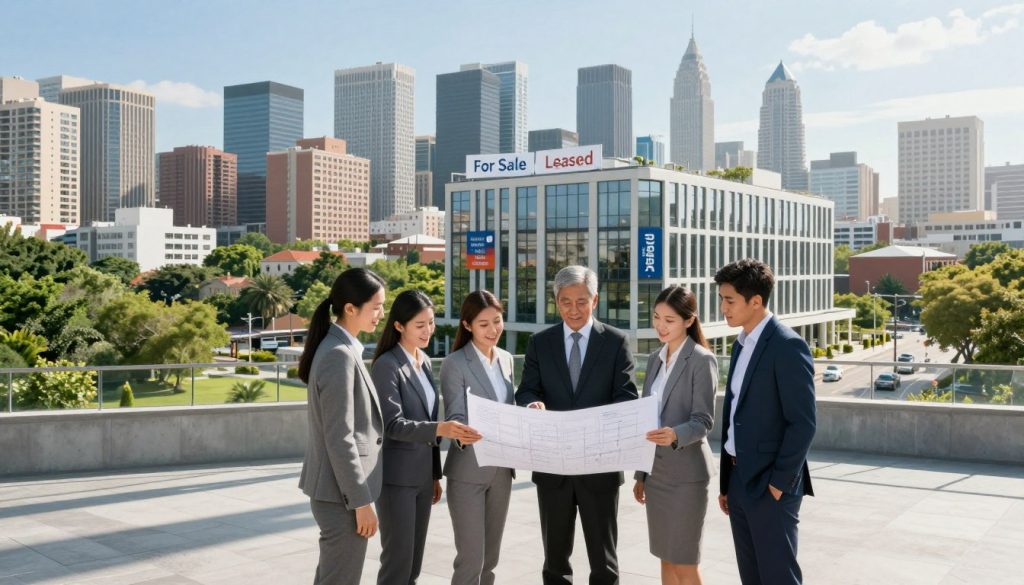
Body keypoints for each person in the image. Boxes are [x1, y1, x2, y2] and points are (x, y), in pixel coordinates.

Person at [515, 265, 638, 585]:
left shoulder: (616, 342)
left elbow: (627, 397)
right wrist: (531, 404)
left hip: (599, 468)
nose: (574, 309)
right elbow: (526, 390)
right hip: (552, 470)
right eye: (566, 301)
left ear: (595, 300)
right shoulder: (540, 343)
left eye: (581, 301)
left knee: (604, 564)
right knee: (554, 564)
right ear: (556, 301)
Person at [714, 259, 816, 585]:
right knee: (752, 578)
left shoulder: (787, 345)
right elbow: (735, 415)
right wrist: (727, 483)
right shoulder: (740, 344)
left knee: (778, 578)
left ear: (755, 301)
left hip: (771, 486)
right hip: (738, 481)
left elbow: (803, 423)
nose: (723, 308)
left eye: (729, 300)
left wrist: (777, 485)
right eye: (722, 299)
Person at [370, 290, 481, 585]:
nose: (428, 331)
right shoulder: (387, 365)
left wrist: (434, 475)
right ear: (398, 325)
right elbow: (393, 424)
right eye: (420, 325)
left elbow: (427, 417)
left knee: (414, 565)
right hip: (396, 481)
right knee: (398, 563)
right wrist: (440, 429)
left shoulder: (425, 361)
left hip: (421, 479)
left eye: (431, 323)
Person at [297, 267, 387, 585]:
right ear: (350, 308)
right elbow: (340, 437)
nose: (381, 314)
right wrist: (361, 502)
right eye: (376, 307)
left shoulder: (340, 348)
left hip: (337, 493)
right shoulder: (338, 355)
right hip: (341, 497)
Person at [633, 285, 718, 585]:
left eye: (669, 320)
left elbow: (704, 420)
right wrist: (641, 475)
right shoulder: (654, 359)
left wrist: (675, 435)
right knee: (666, 558)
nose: (660, 325)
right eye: (656, 317)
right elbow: (646, 418)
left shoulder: (701, 360)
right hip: (656, 477)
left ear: (689, 320)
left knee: (684, 562)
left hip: (686, 478)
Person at [440, 290, 516, 585]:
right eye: (483, 324)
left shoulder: (506, 359)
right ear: (467, 325)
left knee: (490, 559)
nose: (493, 330)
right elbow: (455, 414)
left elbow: (509, 407)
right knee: (471, 559)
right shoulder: (455, 363)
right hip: (468, 470)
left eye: (497, 321)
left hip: (501, 471)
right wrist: (464, 432)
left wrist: (528, 410)